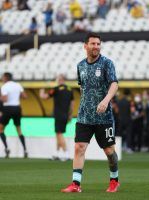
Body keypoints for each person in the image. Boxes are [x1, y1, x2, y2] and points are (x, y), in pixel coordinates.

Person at [61, 32, 119, 193]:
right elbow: (82, 87)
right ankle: (76, 184)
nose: (96, 47)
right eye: (93, 44)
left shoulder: (107, 63)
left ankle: (114, 179)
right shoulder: (80, 65)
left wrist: (105, 100)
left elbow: (114, 84)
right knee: (79, 147)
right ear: (85, 46)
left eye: (98, 44)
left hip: (104, 117)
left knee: (109, 151)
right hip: (84, 116)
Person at [39, 74, 74, 161]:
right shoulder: (70, 89)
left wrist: (41, 90)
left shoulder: (56, 89)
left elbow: (44, 97)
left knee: (59, 133)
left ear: (59, 80)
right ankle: (57, 153)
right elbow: (72, 104)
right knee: (58, 133)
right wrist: (70, 115)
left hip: (58, 114)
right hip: (65, 115)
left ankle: (66, 154)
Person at [0, 72, 28, 158]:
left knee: (1, 129)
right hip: (17, 108)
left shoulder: (4, 86)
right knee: (19, 129)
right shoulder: (18, 85)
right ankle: (25, 150)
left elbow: (5, 99)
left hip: (7, 109)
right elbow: (25, 96)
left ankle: (7, 148)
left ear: (5, 78)